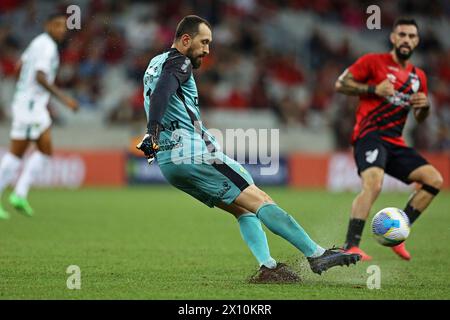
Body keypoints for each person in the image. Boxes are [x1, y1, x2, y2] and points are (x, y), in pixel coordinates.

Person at [136, 15, 361, 282]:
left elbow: (160, 92)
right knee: (260, 200)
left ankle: (267, 266)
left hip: (170, 164)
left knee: (243, 208)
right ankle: (316, 253)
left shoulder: (154, 63)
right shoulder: (181, 61)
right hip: (195, 154)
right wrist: (152, 132)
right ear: (186, 40)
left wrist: (154, 135)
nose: (208, 50)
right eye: (204, 42)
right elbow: (163, 91)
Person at [335, 18, 443, 261]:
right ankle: (351, 245)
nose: (406, 39)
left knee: (434, 180)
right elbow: (340, 84)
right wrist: (373, 89)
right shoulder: (373, 62)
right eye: (402, 34)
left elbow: (421, 117)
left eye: (411, 36)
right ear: (393, 38)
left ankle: (399, 234)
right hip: (369, 136)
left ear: (417, 41)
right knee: (374, 183)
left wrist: (424, 107)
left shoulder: (419, 77)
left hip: (395, 142)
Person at [0, 13, 79, 219]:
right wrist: (65, 100)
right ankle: (19, 193)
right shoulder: (47, 47)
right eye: (57, 25)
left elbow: (19, 67)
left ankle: (19, 193)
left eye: (64, 26)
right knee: (26, 152)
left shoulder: (37, 42)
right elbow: (39, 76)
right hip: (31, 106)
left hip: (29, 104)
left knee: (31, 152)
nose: (62, 29)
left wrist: (23, 89)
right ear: (47, 25)